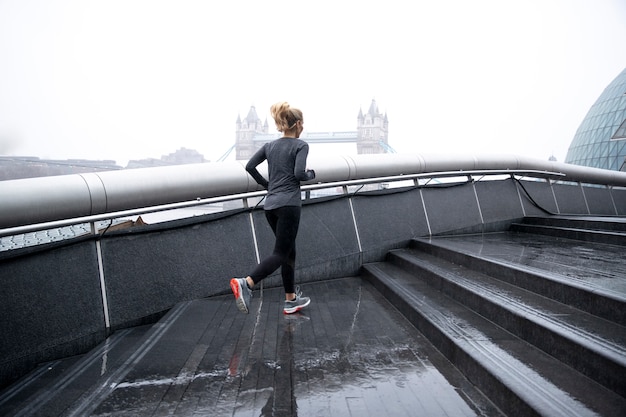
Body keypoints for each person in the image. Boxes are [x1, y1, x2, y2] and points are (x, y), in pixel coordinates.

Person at [230, 102, 316, 315]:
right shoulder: (301, 145)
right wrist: (311, 175)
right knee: (280, 253)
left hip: (271, 205)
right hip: (289, 205)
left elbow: (250, 166)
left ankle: (290, 299)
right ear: (297, 124)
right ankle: (247, 283)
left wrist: (266, 185)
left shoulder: (269, 146)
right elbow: (298, 174)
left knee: (288, 251)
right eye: (302, 123)